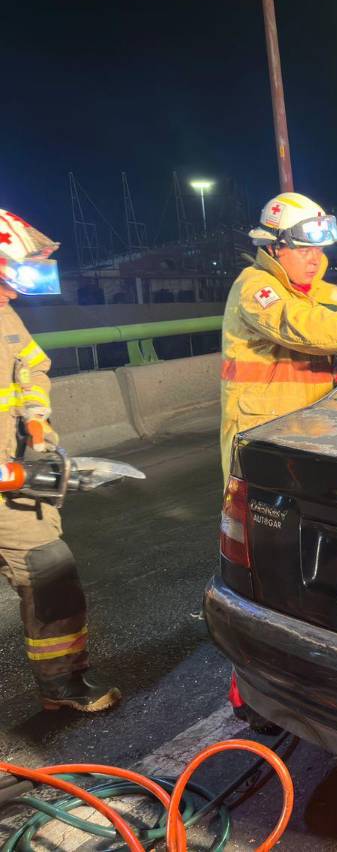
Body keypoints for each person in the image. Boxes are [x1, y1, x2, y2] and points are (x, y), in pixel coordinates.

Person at [0, 209, 120, 712]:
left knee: (48, 567)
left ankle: (63, 684)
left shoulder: (4, 312)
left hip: (11, 473)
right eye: (18, 266)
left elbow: (30, 365)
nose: (27, 277)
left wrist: (34, 418)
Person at [220, 193, 337, 484]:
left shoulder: (313, 291)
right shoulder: (255, 288)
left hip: (310, 423)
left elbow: (335, 337)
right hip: (264, 431)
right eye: (305, 250)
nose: (315, 259)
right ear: (275, 248)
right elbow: (309, 329)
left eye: (318, 250)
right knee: (265, 518)